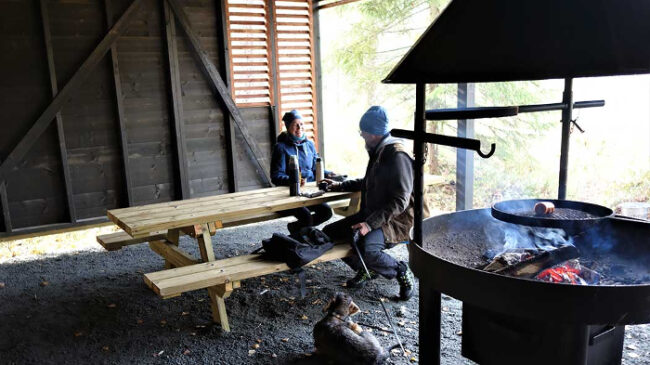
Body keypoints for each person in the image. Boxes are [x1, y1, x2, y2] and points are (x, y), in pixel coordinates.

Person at [322, 106, 415, 301]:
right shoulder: (378, 150)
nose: (361, 136)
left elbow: (400, 200)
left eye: (362, 132)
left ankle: (401, 271)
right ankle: (367, 269)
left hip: (397, 218)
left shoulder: (396, 155)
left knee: (368, 248)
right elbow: (367, 182)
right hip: (374, 213)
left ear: (372, 133)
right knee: (330, 234)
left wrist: (369, 224)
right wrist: (339, 186)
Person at [271, 109, 333, 234]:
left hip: (309, 193)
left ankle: (296, 229)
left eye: (301, 124)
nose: (300, 127)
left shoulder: (309, 145)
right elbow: (276, 176)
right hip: (290, 195)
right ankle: (302, 243)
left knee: (326, 212)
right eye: (295, 125)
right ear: (288, 127)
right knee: (306, 217)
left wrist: (329, 174)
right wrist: (294, 180)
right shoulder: (281, 148)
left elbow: (316, 168)